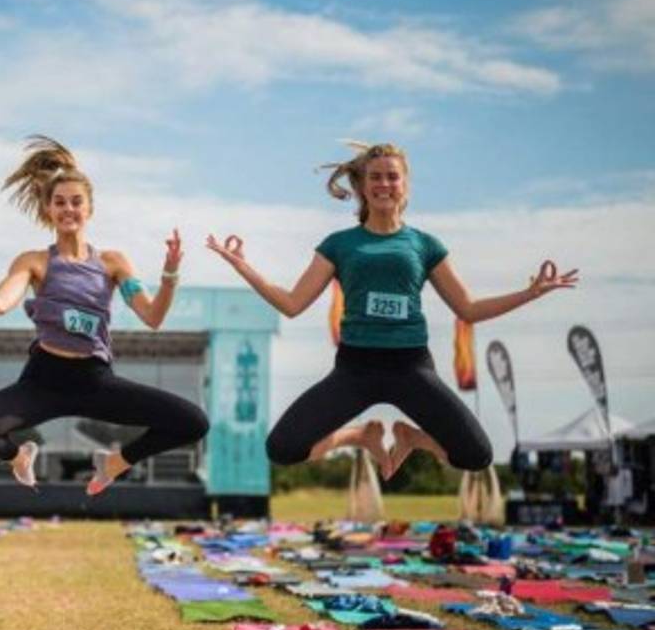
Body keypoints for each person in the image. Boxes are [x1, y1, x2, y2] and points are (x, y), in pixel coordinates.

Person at [206, 141, 577, 478]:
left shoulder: (424, 245)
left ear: (405, 185)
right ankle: (357, 436)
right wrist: (243, 266)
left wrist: (530, 293)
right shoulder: (339, 244)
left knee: (476, 455)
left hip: (411, 367)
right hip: (355, 368)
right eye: (375, 177)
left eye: (392, 177)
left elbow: (468, 309)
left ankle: (412, 438)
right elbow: (292, 304)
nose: (384, 184)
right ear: (362, 187)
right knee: (283, 448)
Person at [0, 136, 209, 495]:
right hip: (43, 381)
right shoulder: (34, 262)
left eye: (76, 201)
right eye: (59, 202)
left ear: (90, 209)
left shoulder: (113, 263)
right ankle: (19, 457)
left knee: (193, 422)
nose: (68, 209)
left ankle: (114, 463)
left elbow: (153, 317)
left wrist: (169, 274)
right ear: (48, 210)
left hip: (96, 382)